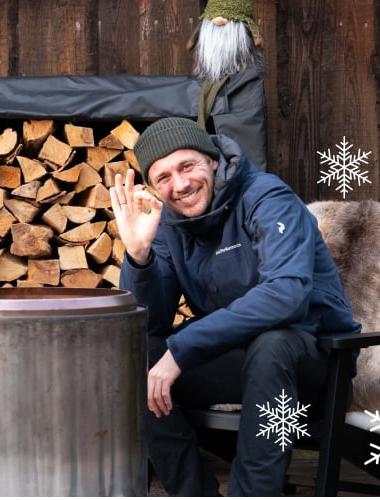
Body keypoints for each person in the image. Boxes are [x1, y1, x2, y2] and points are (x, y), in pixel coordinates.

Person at [109, 117, 361, 496]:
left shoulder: (266, 197)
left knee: (272, 343)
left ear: (212, 160)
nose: (179, 185)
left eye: (187, 166)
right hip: (237, 356)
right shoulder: (167, 223)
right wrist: (139, 255)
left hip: (315, 358)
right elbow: (152, 322)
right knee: (132, 357)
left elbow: (286, 294)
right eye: (162, 178)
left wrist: (182, 350)